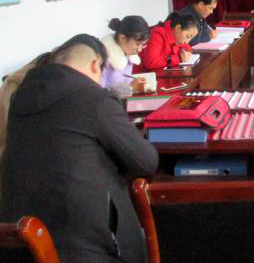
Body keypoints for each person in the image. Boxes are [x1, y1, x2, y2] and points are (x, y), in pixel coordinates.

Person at [0, 34, 158, 262]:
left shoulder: (19, 96)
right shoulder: (95, 99)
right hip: (88, 248)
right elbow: (146, 162)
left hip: (22, 245)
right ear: (95, 64)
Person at [101, 16, 150, 93]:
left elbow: (124, 83)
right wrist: (130, 88)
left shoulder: (128, 55)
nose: (140, 50)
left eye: (142, 45)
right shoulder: (102, 58)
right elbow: (98, 94)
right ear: (122, 38)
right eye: (137, 44)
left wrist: (135, 83)